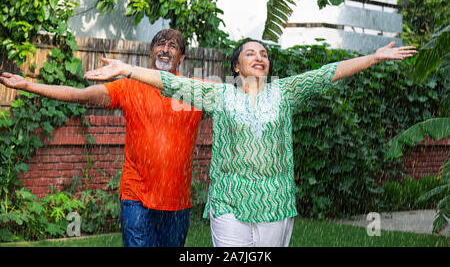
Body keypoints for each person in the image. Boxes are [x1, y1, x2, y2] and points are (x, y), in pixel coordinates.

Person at [83, 39, 416, 247]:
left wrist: (374, 58)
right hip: (229, 200)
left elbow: (329, 73)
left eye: (264, 54)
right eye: (251, 53)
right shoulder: (219, 93)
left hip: (276, 201)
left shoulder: (285, 92)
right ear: (236, 66)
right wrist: (127, 69)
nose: (260, 57)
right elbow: (168, 82)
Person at [0, 29, 203, 247]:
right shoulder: (128, 87)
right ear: (151, 52)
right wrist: (29, 85)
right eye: (160, 45)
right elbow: (79, 95)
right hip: (136, 198)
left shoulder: (195, 91)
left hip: (178, 203)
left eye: (172, 46)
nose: (165, 50)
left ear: (181, 57)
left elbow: (234, 98)